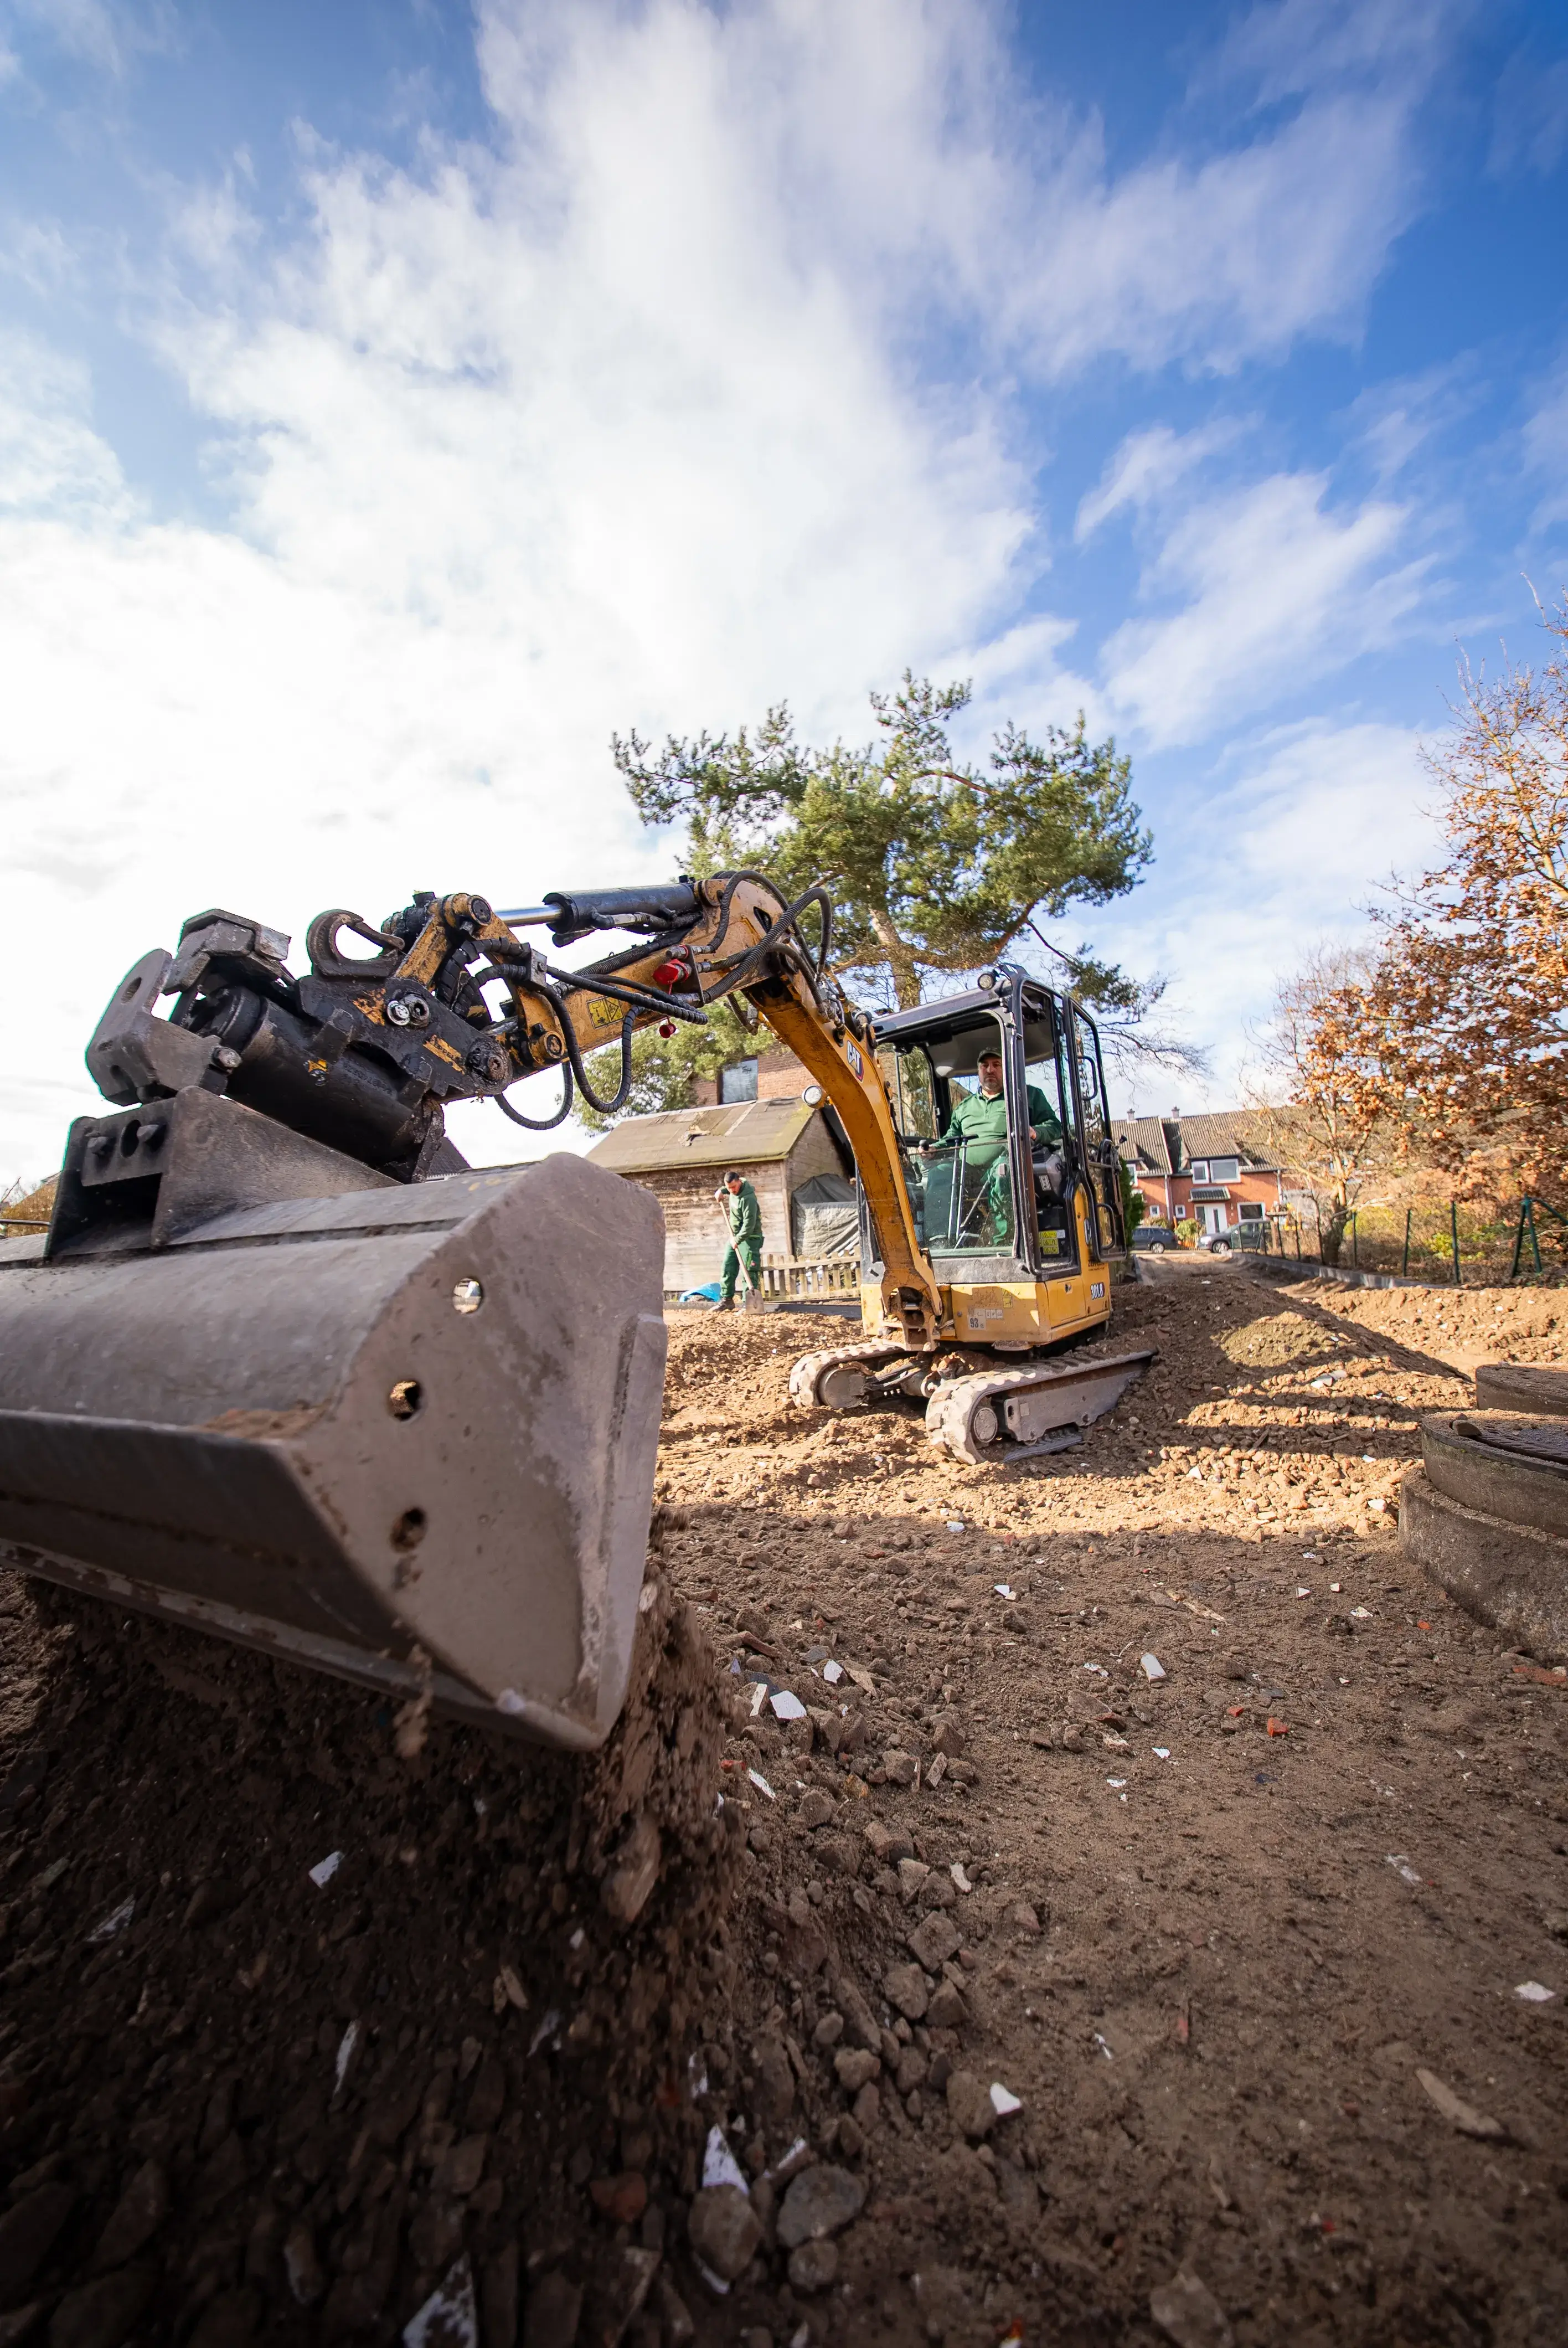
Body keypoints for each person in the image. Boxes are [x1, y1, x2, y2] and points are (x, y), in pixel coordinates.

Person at [924, 1048, 1061, 1245]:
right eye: (984, 1066)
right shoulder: (965, 1106)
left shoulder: (1027, 1095)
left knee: (1002, 1171)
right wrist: (934, 1149)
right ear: (979, 1071)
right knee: (940, 1172)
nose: (990, 1070)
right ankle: (940, 1241)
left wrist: (1035, 1132)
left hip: (1009, 1163)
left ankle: (1005, 1242)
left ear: (1006, 1069)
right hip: (968, 1170)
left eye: (996, 1065)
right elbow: (952, 1138)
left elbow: (1055, 1126)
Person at [715, 1169, 764, 1306]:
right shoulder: (731, 1190)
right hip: (735, 1236)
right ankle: (727, 1300)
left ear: (740, 1183)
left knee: (748, 1270)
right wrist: (721, 1191)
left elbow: (749, 1225)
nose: (732, 1191)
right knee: (728, 1266)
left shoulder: (749, 1199)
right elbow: (726, 1189)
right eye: (729, 1188)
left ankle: (748, 1303)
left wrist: (737, 1240)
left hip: (750, 1237)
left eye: (734, 1187)